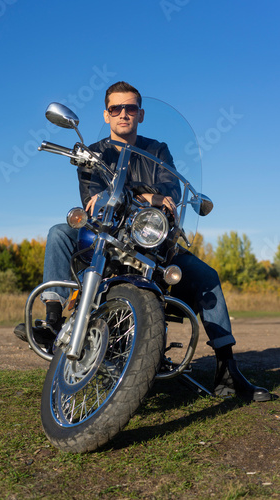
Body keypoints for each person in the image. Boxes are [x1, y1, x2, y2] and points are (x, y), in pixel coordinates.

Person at [14, 81, 270, 402]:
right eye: (116, 109)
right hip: (107, 238)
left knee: (207, 277)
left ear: (140, 114)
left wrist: (151, 195)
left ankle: (227, 370)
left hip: (152, 243)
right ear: (106, 115)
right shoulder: (93, 153)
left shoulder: (157, 150)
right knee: (59, 233)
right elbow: (93, 197)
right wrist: (146, 194)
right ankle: (52, 321)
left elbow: (171, 190)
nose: (123, 114)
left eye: (130, 108)